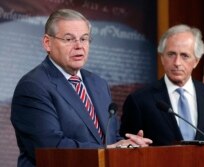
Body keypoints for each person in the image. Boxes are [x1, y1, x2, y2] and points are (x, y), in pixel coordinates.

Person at [10, 9, 152, 167]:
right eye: (69, 39)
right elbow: (50, 147)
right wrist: (110, 150)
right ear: (47, 43)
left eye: (84, 39)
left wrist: (128, 145)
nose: (79, 46)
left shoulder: (98, 83)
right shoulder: (33, 86)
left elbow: (110, 139)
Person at [120, 24, 204, 146]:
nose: (177, 63)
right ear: (162, 58)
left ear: (196, 61)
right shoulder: (139, 100)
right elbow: (126, 150)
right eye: (171, 54)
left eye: (185, 56)